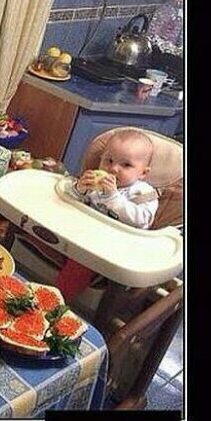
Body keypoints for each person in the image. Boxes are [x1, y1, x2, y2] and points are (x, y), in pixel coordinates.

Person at [56, 128, 159, 301]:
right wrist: (79, 189)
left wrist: (113, 197)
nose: (113, 169)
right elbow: (72, 201)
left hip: (111, 247)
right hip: (81, 232)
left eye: (126, 165)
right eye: (109, 160)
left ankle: (58, 299)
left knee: (81, 262)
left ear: (143, 173)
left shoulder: (143, 193)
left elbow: (142, 220)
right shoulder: (95, 183)